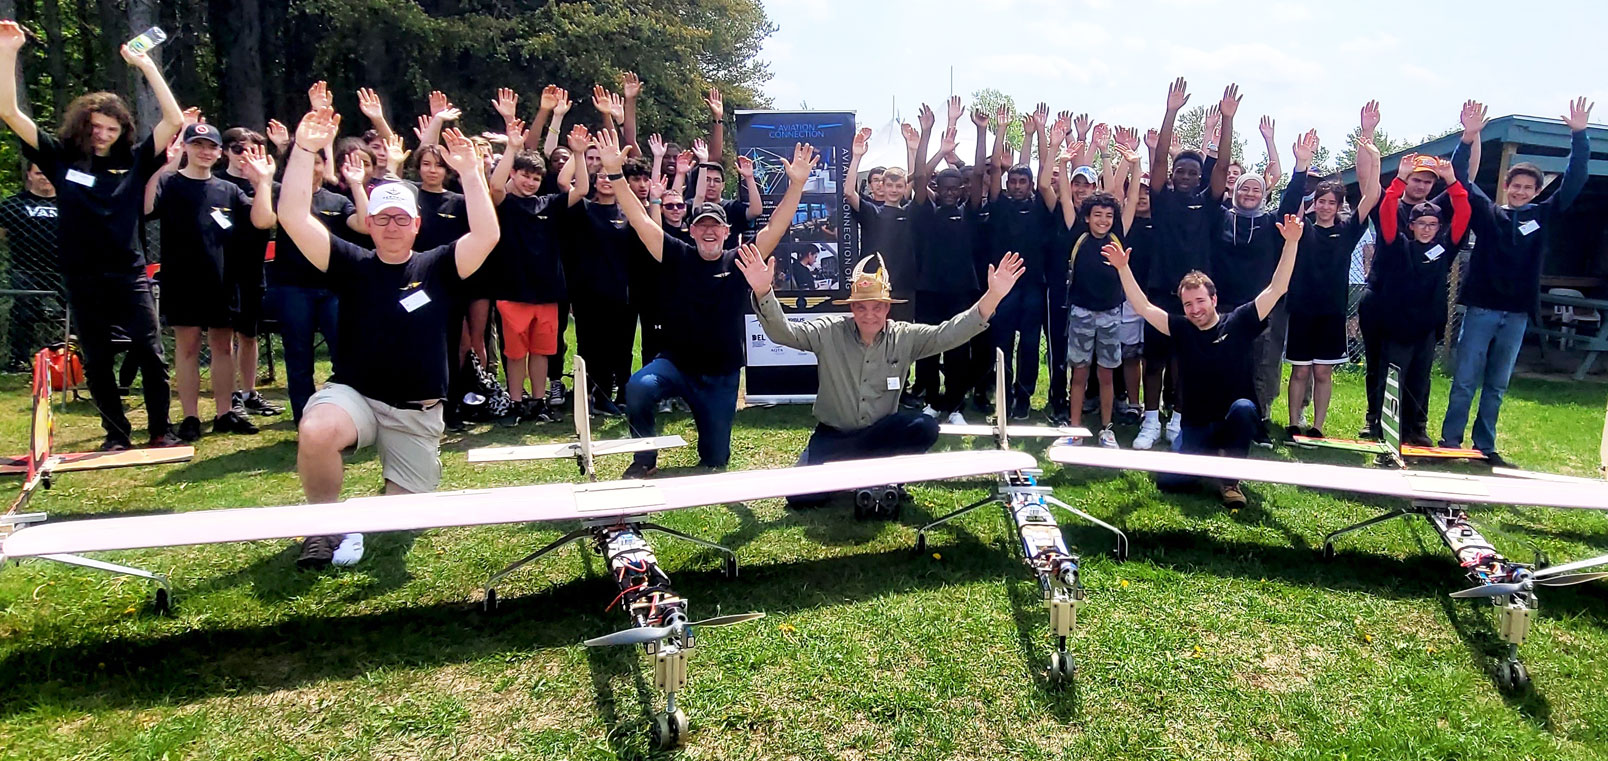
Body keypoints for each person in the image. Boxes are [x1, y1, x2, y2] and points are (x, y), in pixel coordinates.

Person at [279, 109, 498, 570]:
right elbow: (293, 216)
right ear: (369, 222)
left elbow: (487, 233)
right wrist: (303, 150)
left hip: (416, 410)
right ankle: (322, 526)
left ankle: (363, 513)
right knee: (316, 430)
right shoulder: (351, 263)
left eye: (402, 218)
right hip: (357, 395)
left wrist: (473, 174)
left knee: (403, 516)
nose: (392, 226)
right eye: (382, 218)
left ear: (417, 224)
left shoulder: (437, 265)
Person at [0, 21, 184, 450]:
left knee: (151, 353)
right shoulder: (60, 158)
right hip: (82, 277)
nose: (102, 134)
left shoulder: (136, 161)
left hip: (129, 274)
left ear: (122, 132)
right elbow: (10, 113)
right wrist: (9, 51)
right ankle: (116, 436)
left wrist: (145, 65)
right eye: (95, 126)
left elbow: (174, 119)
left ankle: (161, 431)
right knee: (98, 359)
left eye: (111, 128)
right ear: (82, 125)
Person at [740, 246, 1025, 508]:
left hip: (880, 434)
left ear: (888, 308)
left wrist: (993, 296)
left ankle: (868, 472)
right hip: (835, 436)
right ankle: (860, 472)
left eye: (877, 307)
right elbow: (784, 333)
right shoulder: (827, 331)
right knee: (801, 499)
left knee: (924, 427)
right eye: (861, 307)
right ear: (851, 308)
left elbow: (948, 333)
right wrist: (764, 291)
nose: (869, 315)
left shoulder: (905, 336)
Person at [607, 134, 817, 477]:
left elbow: (777, 226)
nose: (708, 232)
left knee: (715, 460)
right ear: (691, 230)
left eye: (715, 227)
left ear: (726, 231)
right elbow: (641, 220)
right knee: (639, 388)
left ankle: (711, 437)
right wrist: (616, 176)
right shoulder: (675, 254)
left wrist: (796, 185)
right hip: (675, 364)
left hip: (720, 375)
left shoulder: (741, 259)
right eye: (702, 226)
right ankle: (643, 458)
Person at [1106, 214, 1303, 508]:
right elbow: (1143, 306)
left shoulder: (1238, 322)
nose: (1194, 309)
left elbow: (1277, 288)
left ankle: (1229, 479)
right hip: (1196, 426)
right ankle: (1208, 460)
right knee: (1168, 482)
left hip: (1231, 420)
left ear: (1213, 299)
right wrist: (1123, 268)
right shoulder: (1182, 329)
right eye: (1188, 304)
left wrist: (1291, 243)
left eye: (1200, 301)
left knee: (1244, 408)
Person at [1439, 98, 1592, 466]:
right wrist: (1468, 136)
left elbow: (1574, 182)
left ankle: (1484, 447)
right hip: (1481, 311)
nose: (1522, 191)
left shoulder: (1544, 214)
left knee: (1497, 385)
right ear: (1507, 186)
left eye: (1528, 187)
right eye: (1517, 185)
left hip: (1516, 315)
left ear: (1536, 191)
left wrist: (1580, 136)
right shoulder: (1487, 212)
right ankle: (1449, 442)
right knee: (1465, 381)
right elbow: (1459, 180)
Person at [145, 122, 277, 440]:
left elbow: (264, 220)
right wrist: (164, 164)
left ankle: (224, 412)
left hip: (222, 281)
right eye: (198, 144)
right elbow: (147, 207)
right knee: (188, 348)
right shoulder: (171, 184)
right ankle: (190, 416)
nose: (205, 151)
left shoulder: (228, 190)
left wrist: (263, 184)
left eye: (211, 147)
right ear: (187, 147)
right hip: (182, 280)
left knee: (223, 347)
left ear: (219, 153)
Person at [1140, 78, 1234, 448]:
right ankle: (1150, 422)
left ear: (1200, 177)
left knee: (1184, 362)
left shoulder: (1208, 202)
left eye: (1193, 172)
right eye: (1182, 171)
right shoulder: (1162, 198)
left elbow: (1223, 166)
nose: (1186, 176)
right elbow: (1160, 157)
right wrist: (1171, 112)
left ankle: (1178, 418)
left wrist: (1226, 121)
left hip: (1191, 297)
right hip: (1161, 289)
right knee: (1155, 359)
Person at [1210, 126, 1313, 443]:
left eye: (1255, 190)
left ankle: (1260, 419)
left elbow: (1291, 200)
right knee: (1227, 363)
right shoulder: (1223, 218)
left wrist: (1301, 167)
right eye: (1244, 190)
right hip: (1226, 304)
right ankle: (1223, 415)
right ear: (1236, 191)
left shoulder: (1271, 222)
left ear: (1263, 194)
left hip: (1263, 306)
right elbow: (1211, 184)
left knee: (1262, 364)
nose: (1249, 194)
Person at [486, 111, 588, 424]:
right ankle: (515, 402)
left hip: (548, 292)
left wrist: (580, 154)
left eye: (535, 177)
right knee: (515, 353)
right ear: (513, 174)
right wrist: (511, 148)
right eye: (523, 175)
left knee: (542, 352)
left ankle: (537, 402)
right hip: (512, 290)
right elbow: (494, 185)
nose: (529, 182)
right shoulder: (504, 202)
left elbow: (581, 189)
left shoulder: (549, 204)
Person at [1373, 157, 1470, 447]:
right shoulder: (1397, 245)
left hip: (1426, 327)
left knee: (1421, 380)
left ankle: (1417, 428)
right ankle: (1386, 427)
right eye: (1421, 224)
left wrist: (1452, 182)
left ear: (1439, 227)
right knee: (1393, 378)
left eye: (1433, 224)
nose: (1427, 229)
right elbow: (1387, 211)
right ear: (1411, 226)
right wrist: (1400, 179)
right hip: (1398, 326)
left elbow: (1464, 213)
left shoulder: (1445, 248)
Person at [1286, 142, 1380, 439]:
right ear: (1314, 203)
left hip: (1331, 313)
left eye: (1331, 202)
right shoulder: (1301, 229)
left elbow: (1372, 196)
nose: (1325, 207)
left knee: (1322, 372)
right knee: (1300, 371)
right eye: (1321, 201)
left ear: (1339, 207)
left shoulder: (1348, 231)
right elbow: (1289, 204)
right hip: (1301, 310)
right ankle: (1293, 423)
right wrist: (1301, 164)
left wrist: (1375, 159)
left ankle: (1317, 426)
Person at [267, 146, 365, 424]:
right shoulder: (282, 198)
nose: (311, 167)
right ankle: (305, 418)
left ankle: (348, 416)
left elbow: (366, 224)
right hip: (292, 288)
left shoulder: (336, 200)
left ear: (325, 165)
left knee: (344, 354)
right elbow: (263, 220)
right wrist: (263, 182)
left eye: (317, 162)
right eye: (304, 161)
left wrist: (357, 185)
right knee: (298, 358)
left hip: (333, 288)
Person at [908, 107, 990, 424]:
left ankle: (955, 405)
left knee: (958, 347)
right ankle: (931, 400)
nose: (950, 192)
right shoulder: (924, 210)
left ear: (962, 191)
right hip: (928, 290)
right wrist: (928, 134)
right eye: (945, 187)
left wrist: (981, 131)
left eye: (956, 188)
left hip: (961, 291)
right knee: (928, 345)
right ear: (937, 189)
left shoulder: (968, 211)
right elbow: (919, 177)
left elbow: (980, 175)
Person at [1059, 143, 1143, 448]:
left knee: (1107, 375)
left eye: (1108, 216)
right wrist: (1065, 163)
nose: (1103, 220)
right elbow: (1067, 197)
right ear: (1087, 217)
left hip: (1111, 314)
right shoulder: (1077, 233)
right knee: (1079, 375)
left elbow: (1131, 197)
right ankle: (1075, 428)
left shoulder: (1118, 233)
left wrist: (1134, 166)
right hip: (1080, 312)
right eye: (1097, 215)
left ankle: (1106, 428)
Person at [218, 127, 284, 419]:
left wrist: (263, 183)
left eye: (256, 151)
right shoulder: (216, 182)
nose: (247, 157)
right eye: (239, 149)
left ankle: (249, 393)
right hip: (220, 268)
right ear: (226, 151)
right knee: (224, 335)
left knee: (249, 333)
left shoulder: (271, 187)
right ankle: (229, 395)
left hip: (253, 267)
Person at [0, 161, 60, 371]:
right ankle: (19, 359)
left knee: (80, 305)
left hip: (63, 269)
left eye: (48, 173)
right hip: (25, 269)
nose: (44, 177)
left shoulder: (70, 203)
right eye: (39, 173)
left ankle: (74, 357)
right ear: (29, 176)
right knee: (24, 309)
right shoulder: (14, 205)